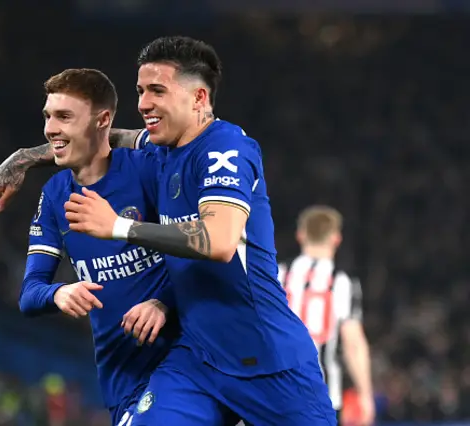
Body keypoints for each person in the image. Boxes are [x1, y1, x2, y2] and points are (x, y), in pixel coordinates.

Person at [60, 36, 335, 425]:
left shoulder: (226, 148)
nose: (142, 104)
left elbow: (221, 241)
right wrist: (23, 160)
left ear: (198, 98)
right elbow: (104, 139)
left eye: (157, 91)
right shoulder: (163, 147)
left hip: (269, 361)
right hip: (198, 361)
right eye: (140, 91)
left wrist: (119, 226)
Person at [19, 68, 179, 426]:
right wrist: (59, 293)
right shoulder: (55, 195)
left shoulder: (147, 170)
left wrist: (162, 302)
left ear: (103, 120)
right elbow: (30, 294)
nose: (50, 129)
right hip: (122, 379)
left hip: (183, 359)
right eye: (48, 116)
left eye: (64, 117)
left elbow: (202, 254)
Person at [278, 206, 375, 426]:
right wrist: (366, 395)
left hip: (276, 392)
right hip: (323, 395)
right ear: (336, 238)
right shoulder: (343, 282)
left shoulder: (277, 274)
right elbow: (354, 344)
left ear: (300, 234)